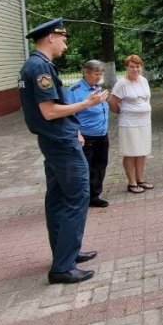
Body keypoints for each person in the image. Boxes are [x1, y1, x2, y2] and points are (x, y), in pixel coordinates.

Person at [18, 18, 106, 284]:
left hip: (55, 141)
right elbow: (49, 111)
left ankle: (66, 253)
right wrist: (86, 103)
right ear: (51, 38)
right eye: (64, 39)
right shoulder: (40, 68)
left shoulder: (33, 66)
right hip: (61, 145)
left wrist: (74, 128)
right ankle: (63, 267)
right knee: (76, 199)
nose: (66, 45)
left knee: (57, 199)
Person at [65, 60, 111, 208]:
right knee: (84, 168)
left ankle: (94, 196)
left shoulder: (97, 88)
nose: (99, 77)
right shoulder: (75, 91)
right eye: (96, 74)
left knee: (99, 166)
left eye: (101, 74)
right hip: (86, 136)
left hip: (101, 135)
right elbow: (69, 115)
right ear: (86, 72)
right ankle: (81, 198)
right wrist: (77, 134)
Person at [109, 55, 154, 193]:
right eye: (132, 66)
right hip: (129, 123)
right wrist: (123, 112)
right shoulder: (122, 83)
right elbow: (112, 102)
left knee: (141, 151)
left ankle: (140, 179)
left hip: (144, 122)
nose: (135, 69)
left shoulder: (144, 80)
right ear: (126, 68)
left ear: (141, 67)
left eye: (137, 66)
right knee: (130, 152)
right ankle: (132, 182)